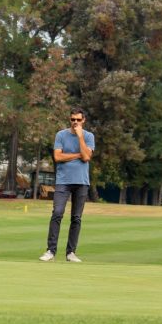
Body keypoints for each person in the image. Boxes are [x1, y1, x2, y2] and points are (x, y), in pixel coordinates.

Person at [40, 108, 95, 263]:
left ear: (83, 120)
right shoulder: (61, 135)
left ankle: (71, 252)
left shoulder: (89, 136)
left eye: (78, 119)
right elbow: (58, 157)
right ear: (70, 119)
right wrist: (78, 154)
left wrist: (80, 137)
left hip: (81, 182)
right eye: (73, 119)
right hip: (63, 181)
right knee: (57, 213)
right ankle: (51, 251)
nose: (75, 122)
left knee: (76, 218)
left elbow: (87, 157)